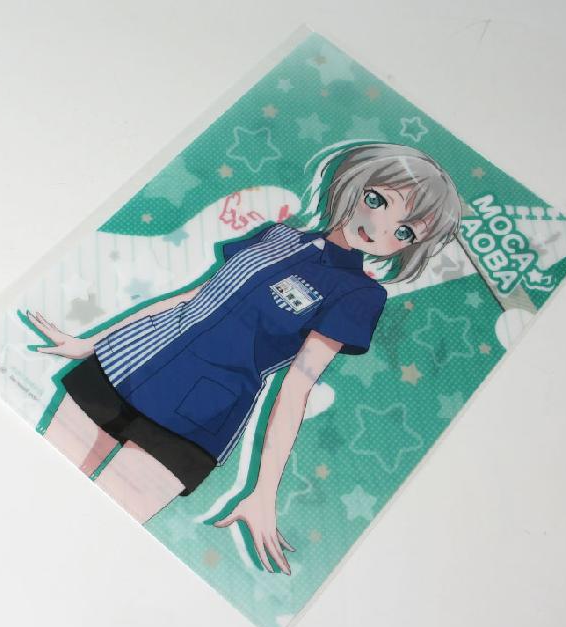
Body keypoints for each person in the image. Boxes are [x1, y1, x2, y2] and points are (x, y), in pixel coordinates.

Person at [26, 141, 461, 575]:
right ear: (353, 184)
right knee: (36, 482)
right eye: (377, 200)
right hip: (126, 361)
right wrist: (95, 343)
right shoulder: (278, 235)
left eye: (405, 232)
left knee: (101, 540)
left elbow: (297, 387)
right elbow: (194, 296)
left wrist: (265, 491)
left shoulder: (358, 294)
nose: (379, 226)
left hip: (196, 417)